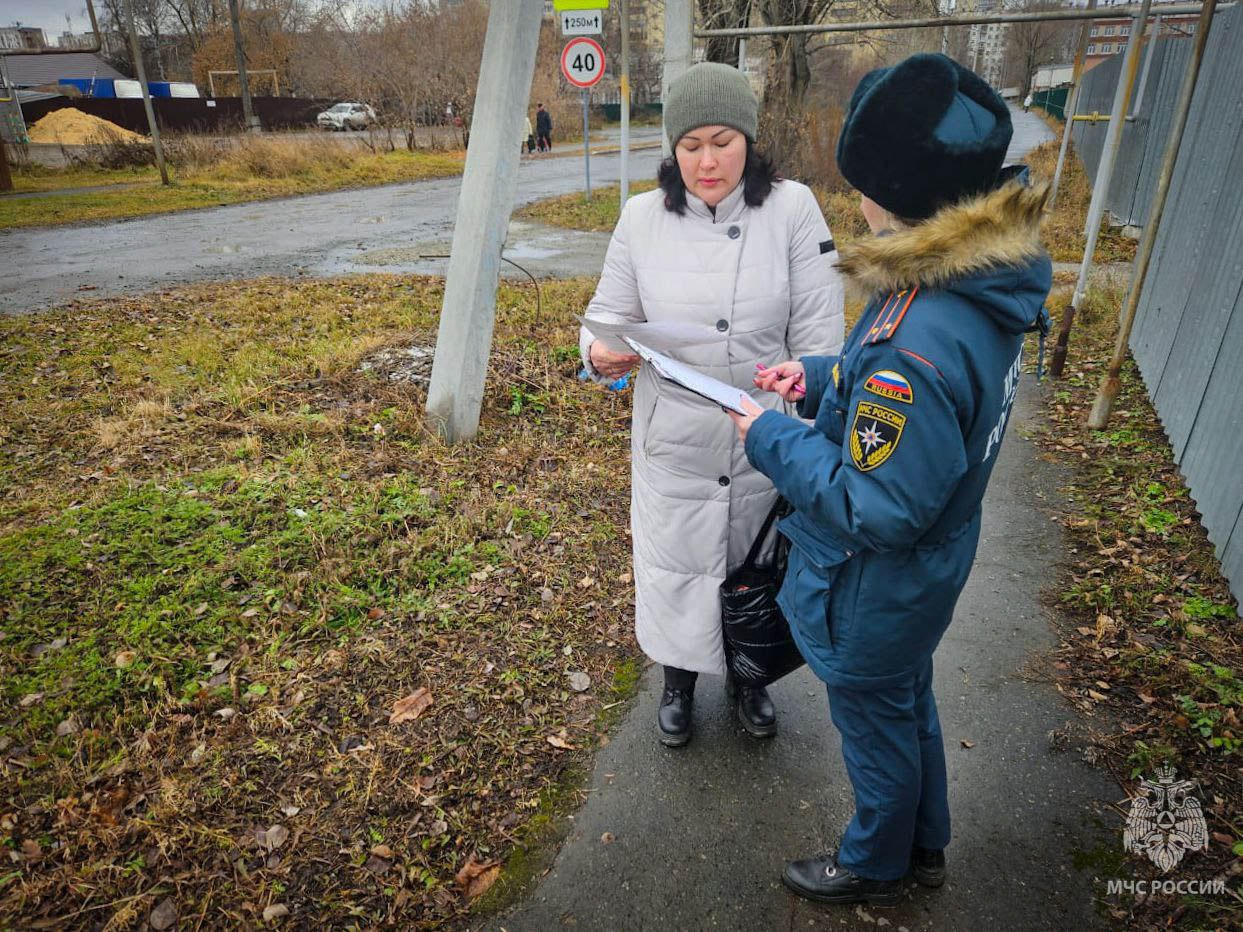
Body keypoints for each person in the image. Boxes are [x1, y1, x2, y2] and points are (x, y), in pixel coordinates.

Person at [727, 54, 1052, 905]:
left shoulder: (917, 336)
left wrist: (769, 437)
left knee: (873, 726)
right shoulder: (967, 286)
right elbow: (913, 396)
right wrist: (823, 377)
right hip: (922, 577)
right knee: (907, 706)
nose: (854, 202)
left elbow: (877, 504)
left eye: (861, 185)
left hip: (873, 585)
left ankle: (875, 862)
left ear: (898, 192)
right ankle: (926, 841)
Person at [580, 62, 844, 748]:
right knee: (675, 566)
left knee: (752, 563)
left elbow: (820, 335)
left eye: (721, 141)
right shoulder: (641, 218)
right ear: (671, 149)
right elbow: (605, 320)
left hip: (760, 430)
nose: (706, 161)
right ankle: (676, 681)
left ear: (749, 141)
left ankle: (751, 676)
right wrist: (598, 352)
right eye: (689, 145)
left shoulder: (792, 208)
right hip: (674, 435)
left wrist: (808, 409)